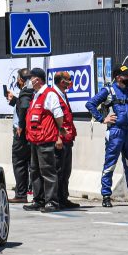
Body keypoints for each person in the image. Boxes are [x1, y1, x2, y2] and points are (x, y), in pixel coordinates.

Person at [86, 63, 128, 207]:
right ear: (118, 77)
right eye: (126, 75)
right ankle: (106, 195)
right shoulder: (108, 91)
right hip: (115, 132)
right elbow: (90, 104)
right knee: (110, 164)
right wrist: (102, 119)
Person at [23, 68, 65, 213]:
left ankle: (52, 202)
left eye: (31, 78)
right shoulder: (36, 95)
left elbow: (58, 115)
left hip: (46, 139)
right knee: (34, 171)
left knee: (48, 171)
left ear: (38, 79)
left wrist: (60, 133)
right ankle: (38, 200)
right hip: (35, 140)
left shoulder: (49, 95)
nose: (29, 81)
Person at [51, 71, 78, 209]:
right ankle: (56, 200)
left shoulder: (62, 94)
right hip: (60, 140)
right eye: (69, 80)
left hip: (67, 138)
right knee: (58, 171)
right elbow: (52, 119)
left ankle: (63, 197)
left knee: (66, 171)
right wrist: (57, 137)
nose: (70, 82)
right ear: (62, 81)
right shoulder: (53, 95)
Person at [6, 68, 33, 203]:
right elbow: (23, 105)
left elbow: (23, 107)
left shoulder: (26, 92)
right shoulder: (32, 92)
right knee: (31, 164)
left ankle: (21, 194)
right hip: (31, 135)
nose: (17, 80)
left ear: (21, 80)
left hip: (22, 135)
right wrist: (14, 100)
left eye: (18, 78)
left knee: (19, 163)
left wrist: (21, 126)